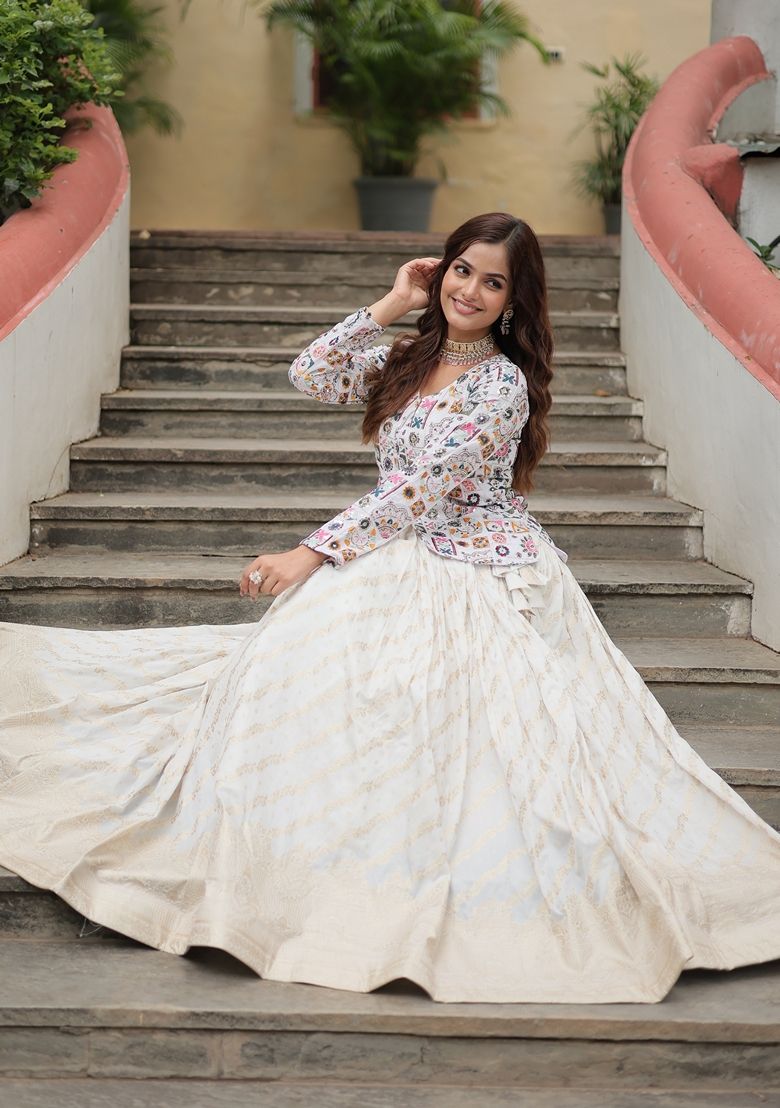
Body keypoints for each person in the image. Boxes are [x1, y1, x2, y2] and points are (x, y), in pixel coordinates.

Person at [0, 212, 778, 1005]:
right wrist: (393, 303)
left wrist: (309, 554)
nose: (470, 290)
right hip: (389, 548)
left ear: (513, 300)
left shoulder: (501, 386)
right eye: (461, 270)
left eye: (493, 282)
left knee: (463, 724)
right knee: (295, 685)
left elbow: (421, 490)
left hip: (475, 563)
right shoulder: (408, 358)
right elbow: (310, 372)